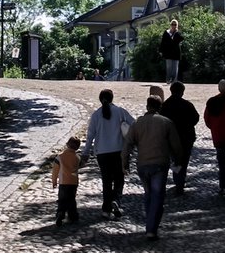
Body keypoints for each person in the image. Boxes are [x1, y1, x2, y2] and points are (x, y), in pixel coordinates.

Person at [122, 94, 182, 241]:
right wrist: (178, 161)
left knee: (148, 194)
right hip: (160, 164)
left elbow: (127, 144)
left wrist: (125, 163)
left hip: (143, 164)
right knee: (157, 196)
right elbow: (176, 146)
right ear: (159, 107)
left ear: (147, 106)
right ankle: (151, 228)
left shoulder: (137, 123)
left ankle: (150, 222)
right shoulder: (166, 122)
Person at [81, 89, 135, 219]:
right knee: (119, 179)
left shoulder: (96, 115)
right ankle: (116, 200)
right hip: (118, 151)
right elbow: (134, 124)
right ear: (112, 98)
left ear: (100, 99)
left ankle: (106, 209)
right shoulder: (120, 111)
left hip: (102, 153)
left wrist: (85, 153)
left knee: (106, 181)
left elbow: (90, 136)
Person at [160, 81, 199, 195]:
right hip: (186, 137)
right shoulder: (187, 104)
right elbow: (195, 118)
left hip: (170, 139)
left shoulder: (165, 105)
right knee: (184, 161)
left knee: (175, 160)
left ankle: (178, 180)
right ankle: (180, 182)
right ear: (182, 92)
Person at [51, 136, 83, 226]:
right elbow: (80, 165)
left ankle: (60, 213)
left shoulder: (60, 157)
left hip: (63, 182)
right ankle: (73, 216)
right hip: (73, 182)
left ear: (67, 145)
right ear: (77, 147)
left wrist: (54, 181)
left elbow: (55, 171)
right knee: (71, 199)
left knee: (62, 199)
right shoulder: (77, 158)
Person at [158, 18, 184, 84]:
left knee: (175, 68)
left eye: (175, 24)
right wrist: (161, 51)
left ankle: (174, 81)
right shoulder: (166, 32)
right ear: (170, 25)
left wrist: (176, 33)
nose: (173, 26)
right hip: (168, 52)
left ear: (176, 25)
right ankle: (168, 79)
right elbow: (163, 42)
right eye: (172, 24)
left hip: (176, 52)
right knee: (169, 67)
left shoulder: (178, 33)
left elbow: (182, 39)